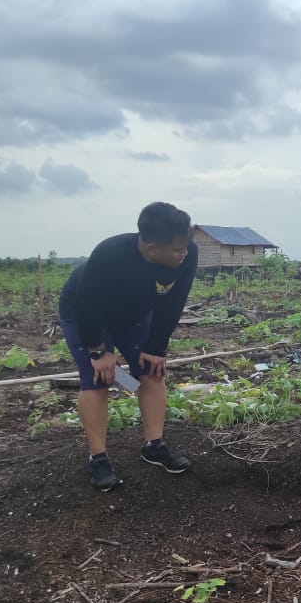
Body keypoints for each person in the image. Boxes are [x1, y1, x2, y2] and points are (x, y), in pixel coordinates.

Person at [58, 202, 199, 491]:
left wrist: (157, 348)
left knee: (151, 371)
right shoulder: (110, 255)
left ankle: (154, 446)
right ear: (151, 248)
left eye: (185, 246)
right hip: (86, 314)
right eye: (176, 249)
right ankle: (98, 459)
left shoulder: (188, 254)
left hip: (133, 314)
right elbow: (86, 306)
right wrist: (98, 352)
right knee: (98, 380)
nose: (184, 253)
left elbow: (174, 302)